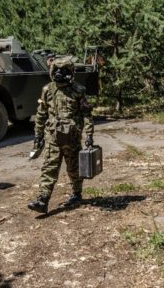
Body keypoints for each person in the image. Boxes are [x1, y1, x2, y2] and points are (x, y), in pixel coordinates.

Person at [28, 56, 94, 214]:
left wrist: (89, 135)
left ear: (70, 72)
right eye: (56, 70)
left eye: (63, 71)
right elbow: (41, 114)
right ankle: (42, 200)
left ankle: (77, 194)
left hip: (72, 137)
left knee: (74, 168)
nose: (59, 74)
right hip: (53, 137)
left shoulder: (78, 90)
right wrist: (38, 135)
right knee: (49, 167)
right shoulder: (48, 90)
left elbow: (87, 114)